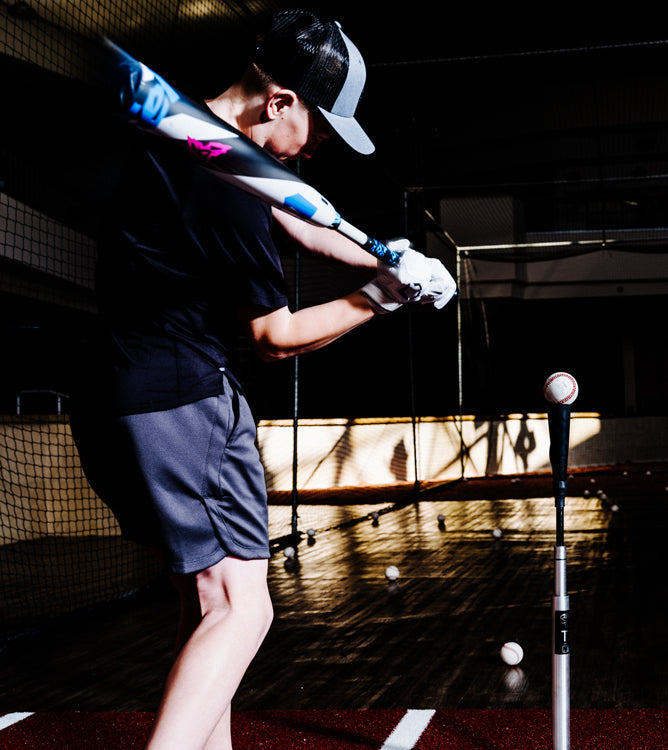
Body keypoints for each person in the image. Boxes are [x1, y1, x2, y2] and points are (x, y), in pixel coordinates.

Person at [70, 9, 454, 750]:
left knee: (207, 607)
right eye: (316, 126)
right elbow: (274, 339)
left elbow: (303, 216)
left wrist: (383, 256)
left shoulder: (200, 142)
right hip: (184, 406)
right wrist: (384, 296)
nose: (316, 148)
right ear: (279, 103)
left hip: (117, 400)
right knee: (245, 612)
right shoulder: (226, 194)